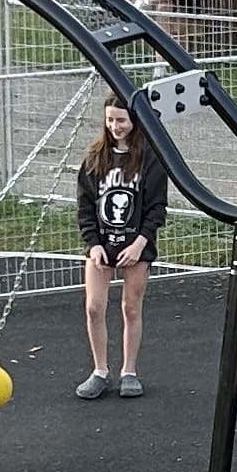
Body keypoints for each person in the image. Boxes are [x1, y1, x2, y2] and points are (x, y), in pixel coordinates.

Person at [75, 96, 165, 399]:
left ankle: (129, 370)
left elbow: (156, 208)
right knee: (94, 306)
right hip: (102, 243)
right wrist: (93, 244)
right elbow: (85, 205)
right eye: (110, 120)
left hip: (135, 245)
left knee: (130, 307)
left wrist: (140, 244)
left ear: (134, 121)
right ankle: (99, 370)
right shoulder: (95, 157)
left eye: (121, 120)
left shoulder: (149, 158)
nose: (115, 126)